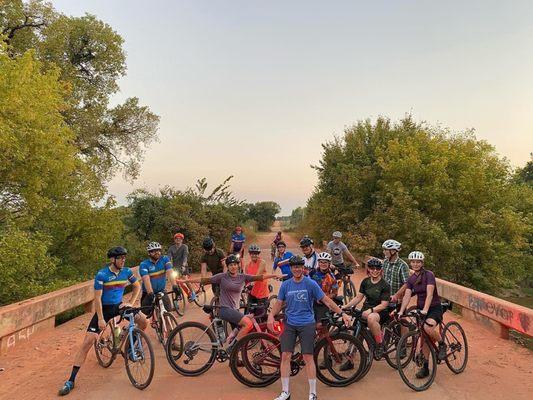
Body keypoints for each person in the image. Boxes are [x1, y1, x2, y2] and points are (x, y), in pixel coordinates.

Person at [58, 247, 147, 396]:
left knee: (143, 322)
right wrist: (100, 318)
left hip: (119, 306)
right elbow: (97, 298)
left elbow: (137, 285)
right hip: (104, 310)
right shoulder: (102, 274)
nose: (123, 260)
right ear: (113, 259)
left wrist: (131, 302)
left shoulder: (126, 272)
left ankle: (130, 345)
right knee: (88, 341)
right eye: (120, 258)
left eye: (124, 257)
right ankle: (71, 380)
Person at [267, 255, 351, 400]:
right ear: (291, 269)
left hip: (307, 323)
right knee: (285, 356)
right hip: (290, 324)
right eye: (294, 267)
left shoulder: (310, 284)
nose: (297, 269)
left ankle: (312, 393)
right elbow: (279, 303)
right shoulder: (286, 285)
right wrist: (270, 316)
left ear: (303, 268)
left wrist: (342, 313)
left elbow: (326, 300)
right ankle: (285, 392)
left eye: (299, 266)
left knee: (308, 357)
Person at [178, 254, 278, 346]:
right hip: (225, 309)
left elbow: (260, 277)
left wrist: (274, 275)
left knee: (241, 330)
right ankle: (232, 347)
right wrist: (186, 281)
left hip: (235, 310)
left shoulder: (243, 277)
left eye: (235, 264)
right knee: (248, 324)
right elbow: (204, 280)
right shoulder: (222, 277)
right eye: (230, 265)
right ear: (228, 267)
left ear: (238, 265)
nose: (233, 266)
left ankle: (234, 356)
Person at [398, 251, 446, 378]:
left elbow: (430, 294)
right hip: (421, 309)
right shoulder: (411, 278)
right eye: (413, 262)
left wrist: (425, 309)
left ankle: (442, 344)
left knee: (427, 328)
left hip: (433, 308)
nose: (415, 264)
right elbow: (407, 295)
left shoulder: (429, 275)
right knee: (424, 338)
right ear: (410, 263)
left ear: (422, 263)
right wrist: (401, 311)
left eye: (418, 262)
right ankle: (425, 368)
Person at [342, 257, 391, 367]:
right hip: (366, 309)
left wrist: (371, 310)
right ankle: (350, 359)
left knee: (371, 318)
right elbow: (358, 297)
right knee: (356, 331)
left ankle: (379, 344)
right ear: (368, 269)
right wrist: (345, 306)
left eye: (377, 268)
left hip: (380, 311)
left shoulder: (384, 285)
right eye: (372, 268)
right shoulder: (366, 282)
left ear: (380, 270)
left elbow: (384, 304)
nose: (374, 270)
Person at [140, 242, 175, 316]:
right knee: (143, 316)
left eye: (158, 250)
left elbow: (170, 272)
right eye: (153, 251)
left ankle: (170, 327)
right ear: (149, 253)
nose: (157, 252)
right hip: (148, 293)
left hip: (161, 291)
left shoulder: (165, 259)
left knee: (169, 313)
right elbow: (146, 280)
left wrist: (175, 286)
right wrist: (150, 293)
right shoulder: (144, 264)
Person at [309, 252, 339, 336]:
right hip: (311, 302)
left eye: (325, 262)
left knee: (320, 326)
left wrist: (324, 297)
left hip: (323, 304)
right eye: (321, 262)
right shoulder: (312, 273)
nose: (323, 264)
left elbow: (335, 293)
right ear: (318, 263)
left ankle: (324, 345)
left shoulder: (332, 277)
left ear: (329, 264)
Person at [167, 233, 195, 301]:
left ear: (182, 240)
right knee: (174, 280)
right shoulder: (171, 248)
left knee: (185, 278)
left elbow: (185, 257)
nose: (178, 240)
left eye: (180, 239)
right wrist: (168, 266)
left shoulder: (184, 247)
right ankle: (178, 295)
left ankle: (192, 292)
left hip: (183, 266)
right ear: (174, 240)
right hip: (175, 267)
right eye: (176, 238)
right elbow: (169, 258)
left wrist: (183, 265)